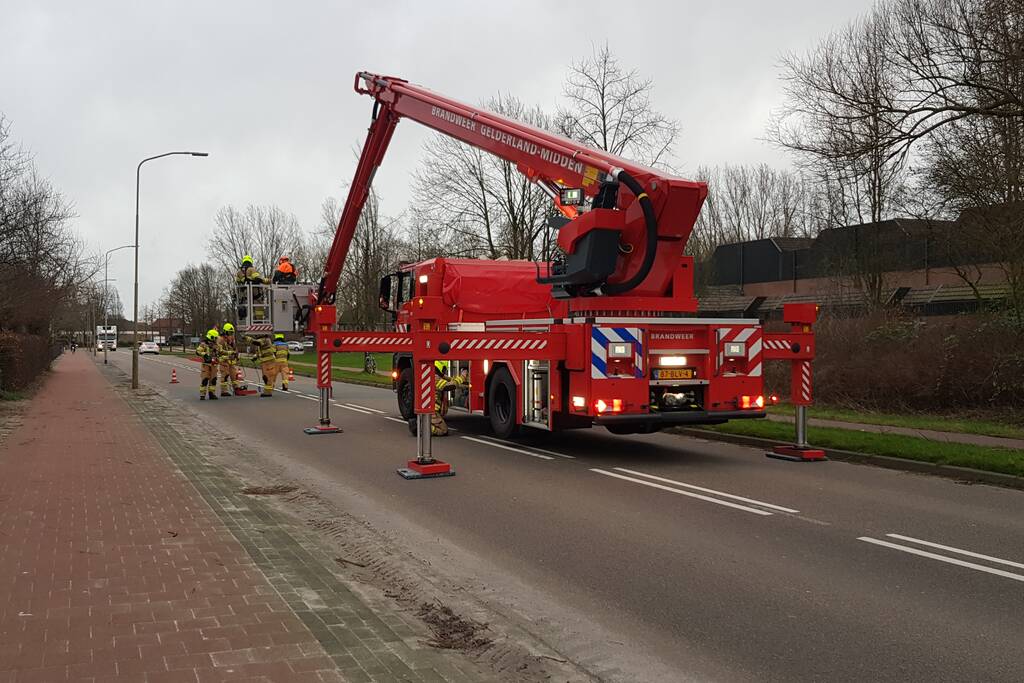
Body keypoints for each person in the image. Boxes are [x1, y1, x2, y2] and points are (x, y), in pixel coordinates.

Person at [196, 329, 221, 401]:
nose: (216, 339)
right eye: (215, 338)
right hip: (206, 365)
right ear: (211, 337)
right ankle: (202, 395)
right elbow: (198, 351)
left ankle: (212, 394)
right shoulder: (203, 344)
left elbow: (220, 353)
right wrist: (205, 355)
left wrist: (219, 358)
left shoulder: (217, 345)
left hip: (214, 365)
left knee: (213, 379)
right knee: (205, 379)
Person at [217, 323, 240, 396]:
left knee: (234, 375)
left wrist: (236, 355)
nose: (231, 334)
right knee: (225, 375)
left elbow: (235, 348)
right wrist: (229, 354)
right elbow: (219, 351)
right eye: (229, 333)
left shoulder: (231, 339)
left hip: (231, 361)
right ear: (225, 332)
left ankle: (236, 389)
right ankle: (224, 391)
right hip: (224, 361)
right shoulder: (220, 339)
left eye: (232, 333)